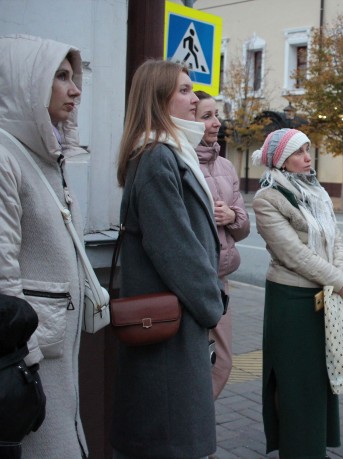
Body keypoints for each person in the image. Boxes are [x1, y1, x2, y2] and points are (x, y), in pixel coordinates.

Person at [112, 60, 226, 459]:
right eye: (183, 90)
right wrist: (213, 304)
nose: (194, 99)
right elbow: (175, 249)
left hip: (176, 324)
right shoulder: (159, 156)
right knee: (170, 443)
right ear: (157, 99)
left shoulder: (171, 153)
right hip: (171, 330)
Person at [0, 34, 88, 458]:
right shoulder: (5, 155)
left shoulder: (44, 152)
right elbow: (2, 272)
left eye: (74, 77)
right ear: (26, 81)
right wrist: (25, 363)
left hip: (52, 348)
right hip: (30, 357)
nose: (75, 89)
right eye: (60, 76)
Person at [252, 128, 343, 458]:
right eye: (298, 152)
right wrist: (336, 279)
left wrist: (338, 272)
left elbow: (334, 236)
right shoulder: (268, 199)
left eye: (308, 150)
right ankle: (299, 450)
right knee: (296, 382)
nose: (307, 157)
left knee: (319, 379)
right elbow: (292, 254)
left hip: (324, 294)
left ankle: (314, 447)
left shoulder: (317, 192)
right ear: (281, 161)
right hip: (292, 301)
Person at [194, 90, 250, 399]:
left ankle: (198, 431)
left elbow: (244, 226)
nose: (216, 123)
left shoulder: (226, 167)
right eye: (206, 117)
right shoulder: (182, 162)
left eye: (216, 115)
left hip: (221, 281)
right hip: (192, 282)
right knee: (197, 364)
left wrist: (231, 216)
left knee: (222, 362)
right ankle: (197, 438)